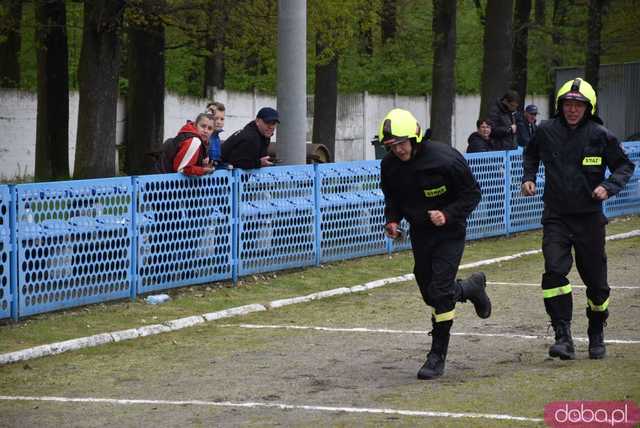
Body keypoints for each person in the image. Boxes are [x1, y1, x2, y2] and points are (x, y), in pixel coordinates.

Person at [521, 78, 635, 360]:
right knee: (554, 272)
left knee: (597, 284)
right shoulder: (546, 130)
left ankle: (596, 332)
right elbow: (530, 153)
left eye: (578, 105)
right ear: (560, 107)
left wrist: (607, 187)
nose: (572, 109)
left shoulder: (601, 135)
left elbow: (624, 166)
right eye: (568, 104)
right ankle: (563, 336)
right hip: (556, 216)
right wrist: (528, 178)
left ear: (589, 107)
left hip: (589, 219)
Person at [379, 108, 492, 380]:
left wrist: (448, 214)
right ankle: (471, 288)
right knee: (430, 291)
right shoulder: (389, 166)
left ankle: (436, 356)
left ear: (415, 138)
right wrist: (392, 220)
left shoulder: (445, 159)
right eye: (391, 146)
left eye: (402, 143)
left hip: (450, 231)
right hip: (420, 232)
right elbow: (392, 197)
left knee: (440, 291)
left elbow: (472, 194)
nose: (398, 150)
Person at [206, 101, 227, 167]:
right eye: (216, 118)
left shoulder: (216, 137)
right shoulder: (204, 137)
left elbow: (216, 162)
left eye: (222, 119)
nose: (219, 122)